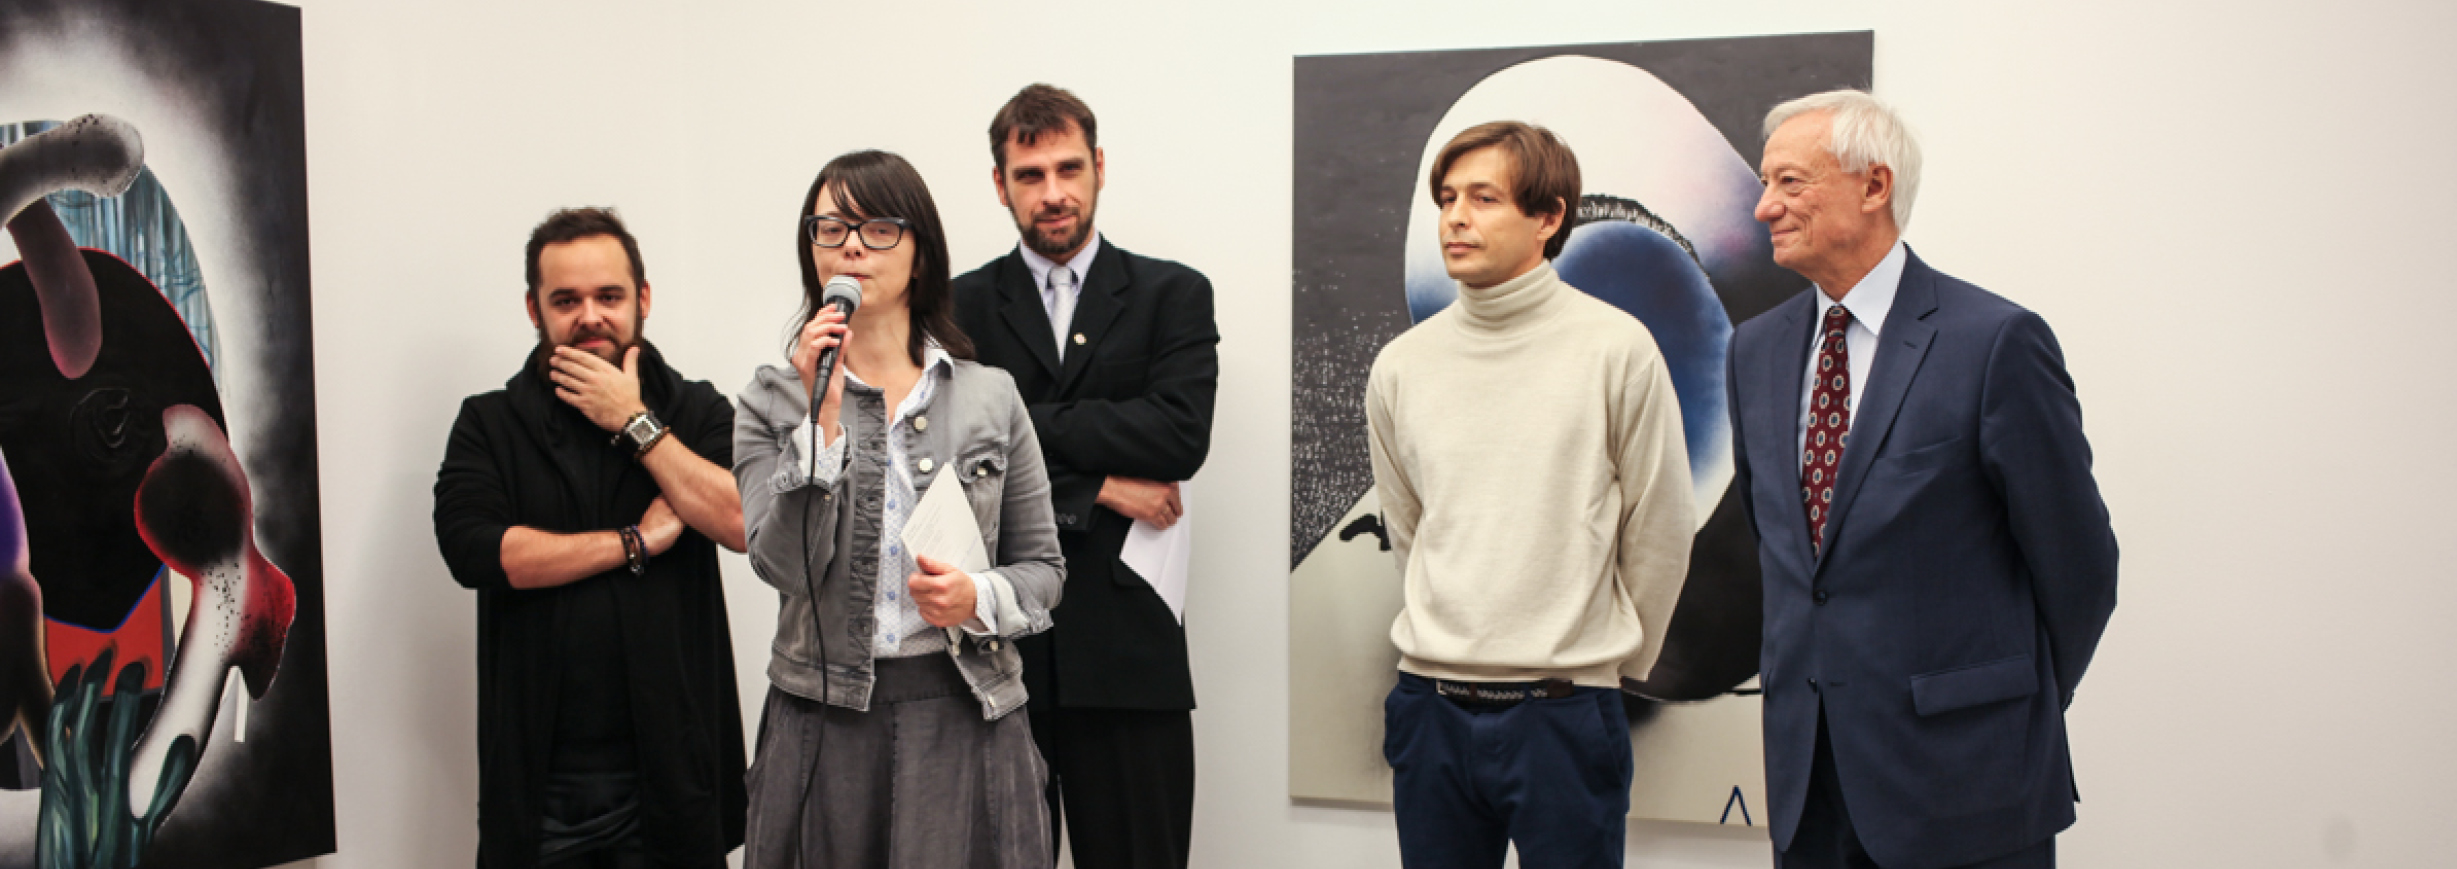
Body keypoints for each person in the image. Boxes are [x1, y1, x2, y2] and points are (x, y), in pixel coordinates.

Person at [1728, 89, 2119, 869]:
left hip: (1967, 784)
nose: (1765, 207)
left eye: (1790, 182)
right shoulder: (1754, 350)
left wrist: (2009, 705)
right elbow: (1785, 557)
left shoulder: (1994, 342)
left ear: (1874, 186)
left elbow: (2079, 567)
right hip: (1809, 789)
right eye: (1765, 184)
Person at [1364, 121, 1697, 868]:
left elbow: (1661, 525)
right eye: (1447, 199)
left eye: (1483, 198)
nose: (1455, 218)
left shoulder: (1615, 348)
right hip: (1430, 708)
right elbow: (1410, 527)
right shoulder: (1401, 366)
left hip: (1565, 712)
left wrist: (1601, 661)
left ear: (1547, 217)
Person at [733, 149, 1062, 869]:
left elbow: (1044, 569)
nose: (851, 246)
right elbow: (781, 566)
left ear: (920, 254)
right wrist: (820, 424)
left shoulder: (990, 396)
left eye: (878, 227)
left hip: (963, 705)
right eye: (830, 228)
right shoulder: (769, 402)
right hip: (820, 714)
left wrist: (977, 596)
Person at [951, 83, 1218, 869]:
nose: (1053, 193)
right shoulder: (956, 308)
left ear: (1099, 166)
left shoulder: (1173, 294)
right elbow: (950, 463)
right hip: (997, 655)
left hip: (1130, 653)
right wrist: (1096, 486)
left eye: (1068, 168)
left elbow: (1178, 436)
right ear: (999, 183)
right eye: (1029, 175)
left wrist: (1013, 419)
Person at [433, 207, 748, 869]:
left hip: (675, 777)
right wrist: (635, 541)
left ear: (643, 298)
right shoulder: (489, 423)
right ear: (534, 308)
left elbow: (747, 521)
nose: (590, 316)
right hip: (543, 790)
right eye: (566, 300)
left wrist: (634, 421)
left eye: (608, 296)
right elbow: (478, 551)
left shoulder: (697, 411)